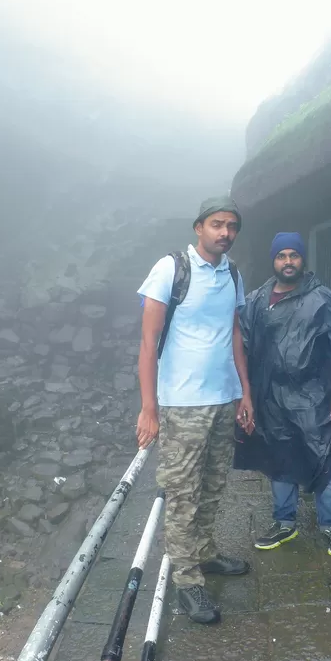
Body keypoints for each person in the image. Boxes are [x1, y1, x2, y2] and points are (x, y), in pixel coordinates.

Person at [135, 196, 255, 625]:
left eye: (232, 226)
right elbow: (148, 343)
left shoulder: (233, 273)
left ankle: (204, 553)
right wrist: (149, 409)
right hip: (181, 404)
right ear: (198, 227)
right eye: (217, 224)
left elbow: (235, 334)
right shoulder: (171, 269)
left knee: (213, 486)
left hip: (223, 399)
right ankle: (187, 583)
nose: (225, 233)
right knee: (183, 495)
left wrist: (245, 393)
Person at [235, 232, 331, 558]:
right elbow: (239, 342)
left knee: (321, 457)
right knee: (280, 457)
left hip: (311, 394)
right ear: (273, 260)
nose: (288, 262)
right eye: (282, 256)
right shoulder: (257, 300)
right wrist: (244, 395)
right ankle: (284, 522)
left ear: (302, 260)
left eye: (294, 255)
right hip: (270, 394)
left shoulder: (320, 298)